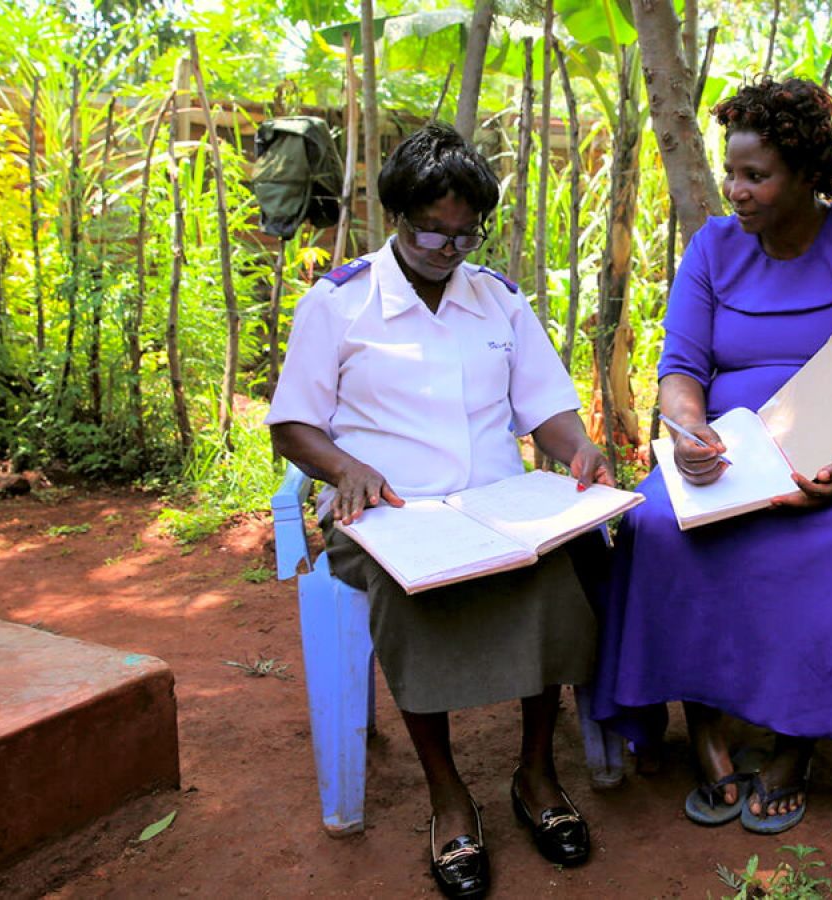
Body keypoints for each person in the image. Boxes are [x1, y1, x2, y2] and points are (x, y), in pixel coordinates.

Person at [267, 123, 611, 899]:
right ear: (396, 216)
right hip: (389, 511)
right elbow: (292, 422)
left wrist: (579, 447)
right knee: (410, 589)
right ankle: (448, 793)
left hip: (499, 505)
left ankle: (534, 773)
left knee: (552, 574)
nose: (447, 249)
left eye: (464, 234)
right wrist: (345, 467)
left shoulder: (498, 301)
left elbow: (546, 407)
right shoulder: (339, 303)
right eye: (431, 230)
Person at [590, 77, 832, 835]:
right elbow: (682, 367)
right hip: (732, 449)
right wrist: (686, 433)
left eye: (756, 176)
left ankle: (796, 740)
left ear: (808, 175)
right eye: (732, 172)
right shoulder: (713, 249)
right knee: (654, 528)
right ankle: (705, 727)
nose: (736, 191)